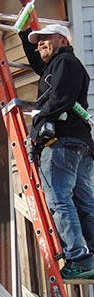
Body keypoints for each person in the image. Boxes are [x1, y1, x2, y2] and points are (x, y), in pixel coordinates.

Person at [19, 23, 94, 279]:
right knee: (84, 202)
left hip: (61, 141)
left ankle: (78, 257)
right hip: (78, 142)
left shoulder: (65, 64)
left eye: (45, 39)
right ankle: (89, 256)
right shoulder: (56, 65)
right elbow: (39, 63)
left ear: (63, 40)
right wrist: (24, 31)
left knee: (60, 200)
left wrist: (39, 124)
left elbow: (60, 97)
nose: (40, 43)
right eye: (37, 40)